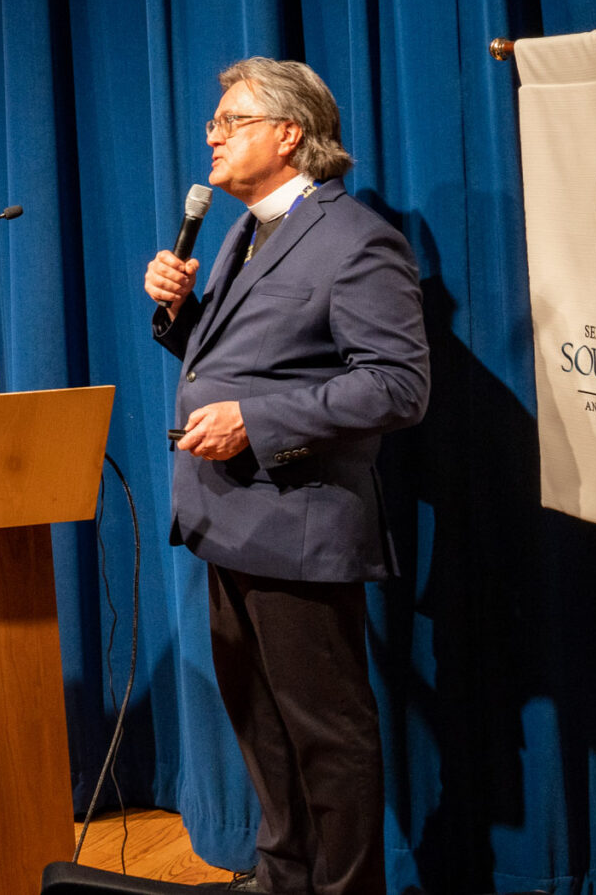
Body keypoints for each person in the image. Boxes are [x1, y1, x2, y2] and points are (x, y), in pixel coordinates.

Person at [144, 59, 428, 895]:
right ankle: (282, 877)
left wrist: (255, 424)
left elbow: (399, 385)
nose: (212, 134)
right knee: (261, 724)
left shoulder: (358, 239)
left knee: (326, 736)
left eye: (231, 119)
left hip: (298, 525)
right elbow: (256, 358)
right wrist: (181, 317)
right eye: (214, 120)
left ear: (289, 134)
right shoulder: (246, 229)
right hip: (227, 517)